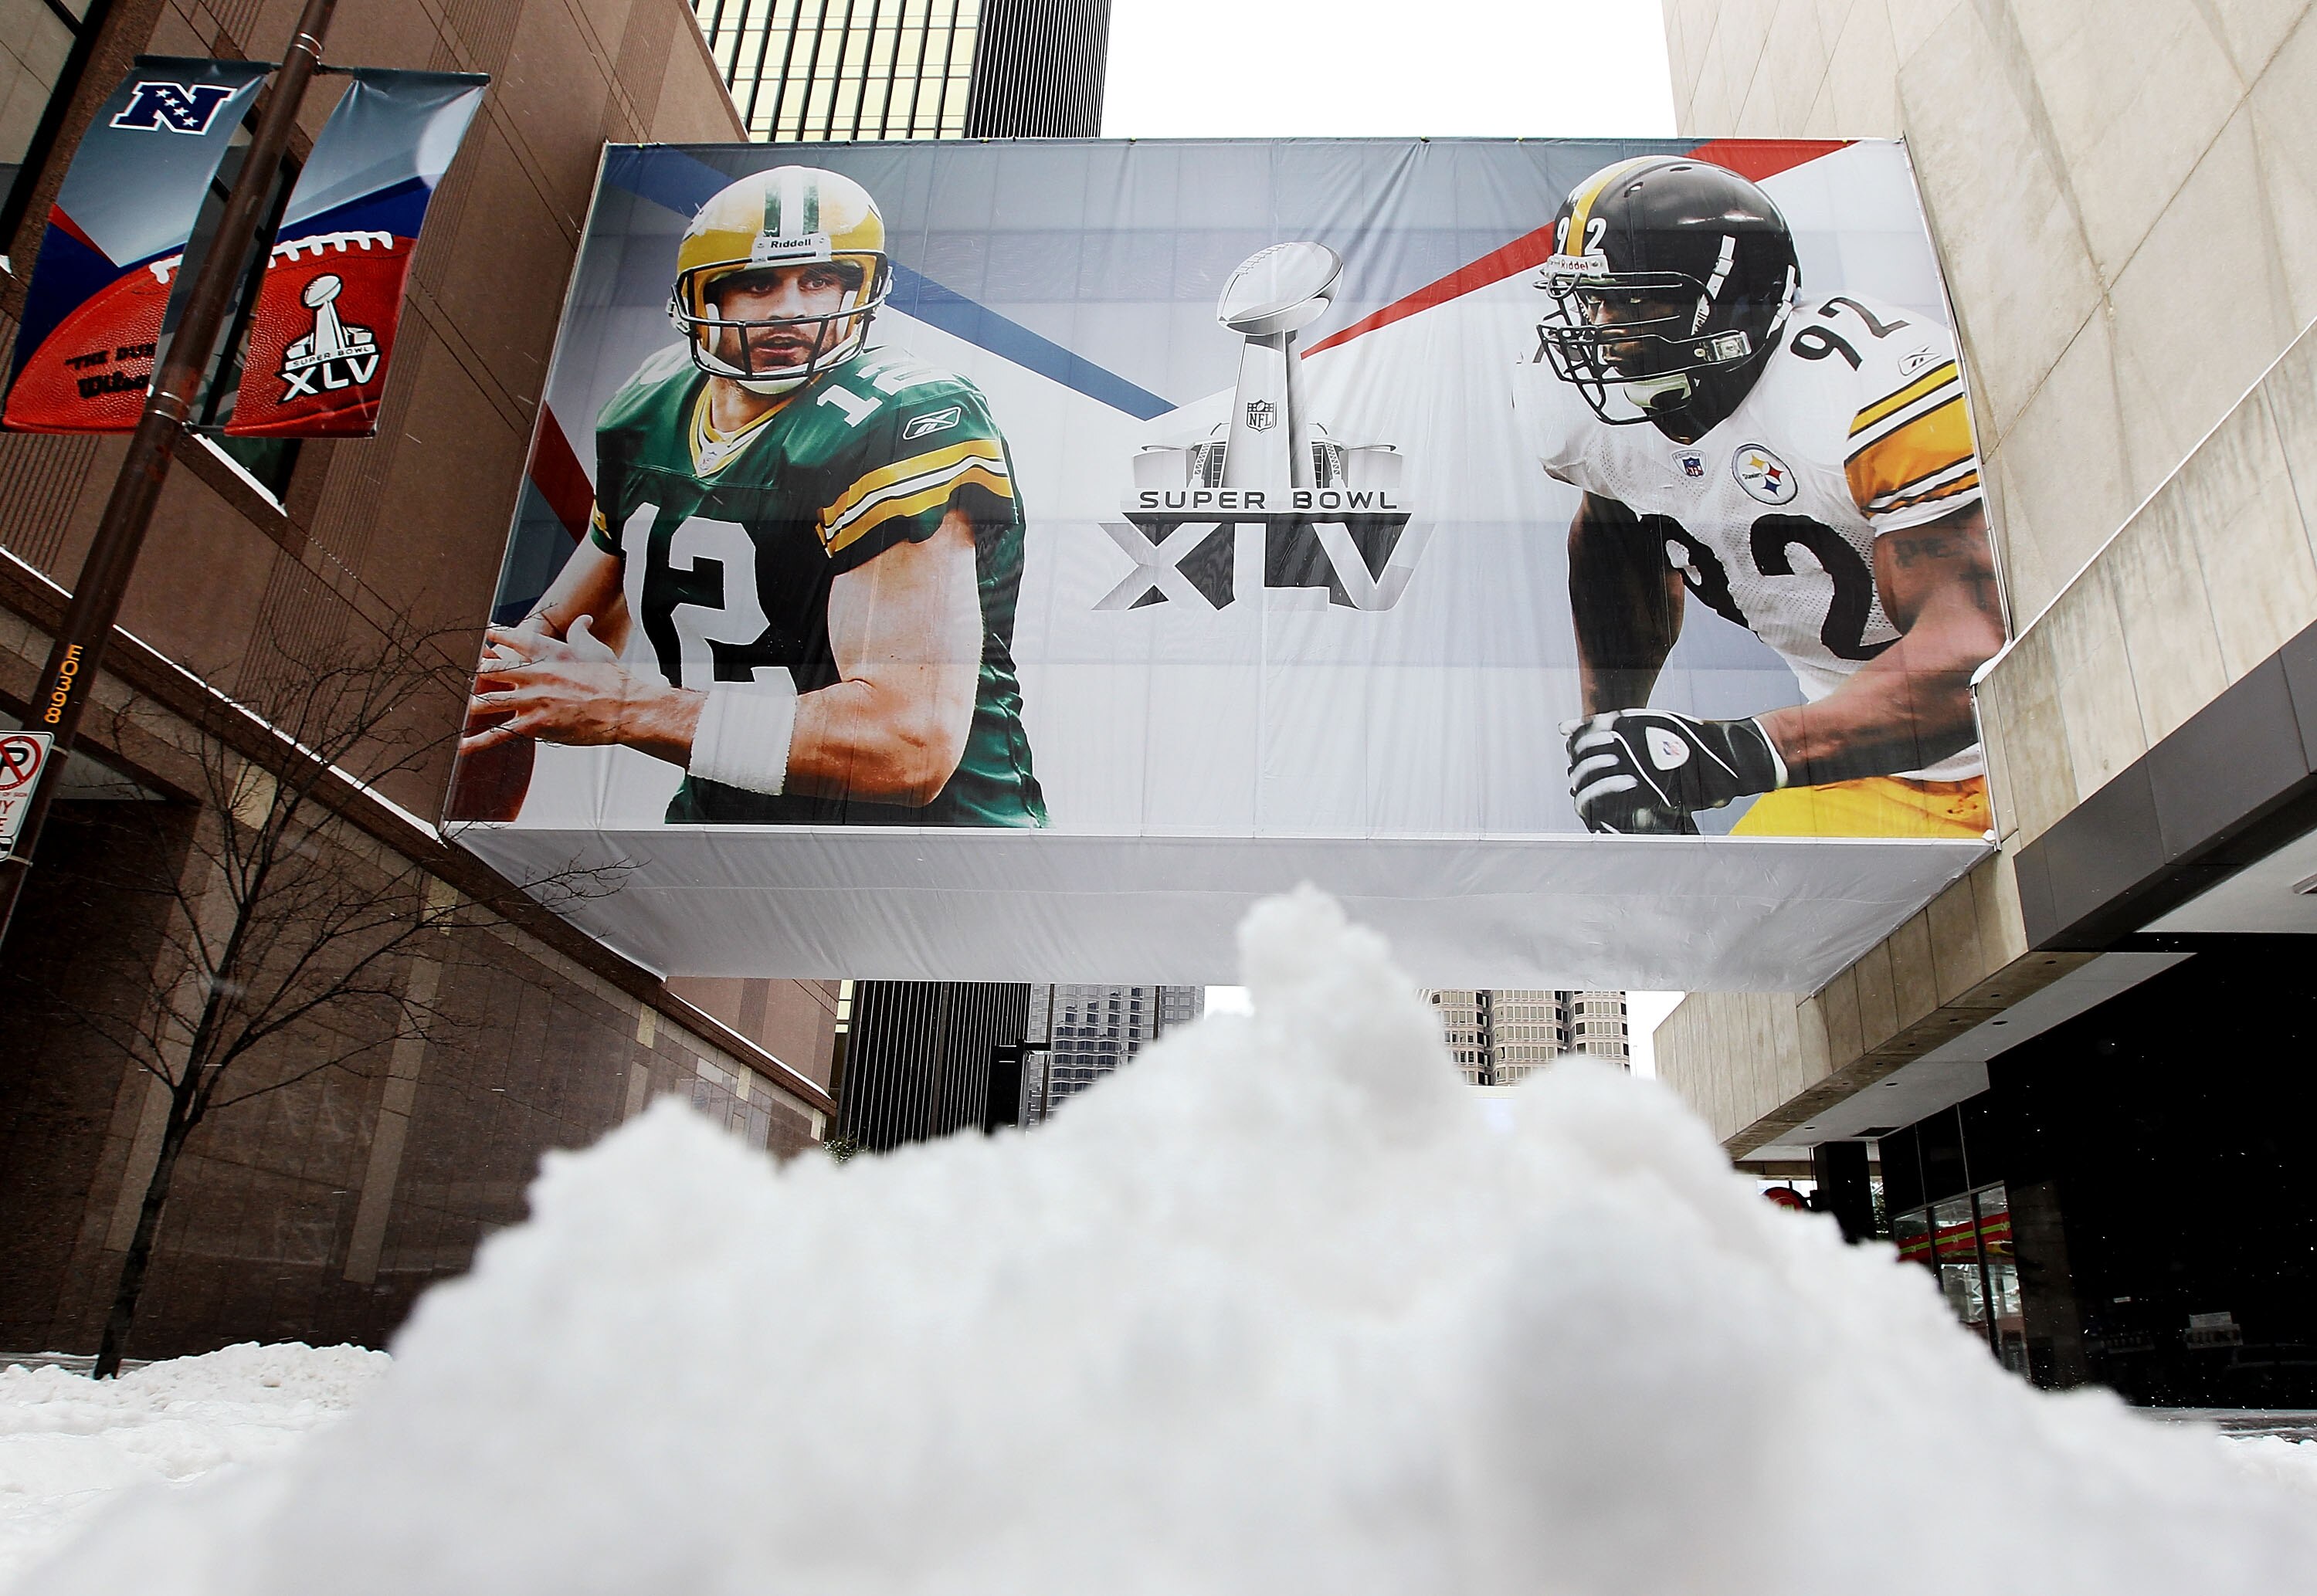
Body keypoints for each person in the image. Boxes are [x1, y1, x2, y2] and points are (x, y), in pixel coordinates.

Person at [456, 164, 1045, 827]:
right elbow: (556, 638)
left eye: (821, 280)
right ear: (702, 300)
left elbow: (903, 747)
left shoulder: (904, 417)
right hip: (726, 821)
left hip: (925, 855)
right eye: (758, 283)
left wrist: (626, 706)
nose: (792, 308)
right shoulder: (651, 405)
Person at [1514, 155, 2005, 838]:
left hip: (2022, 741)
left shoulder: (1865, 392)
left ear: (1732, 299)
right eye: (1590, 299)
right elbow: (1615, 541)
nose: (1601, 327)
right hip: (1861, 769)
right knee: (1705, 932)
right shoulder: (1602, 422)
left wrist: (1740, 752)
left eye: (1631, 298)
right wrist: (1616, 738)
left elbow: (1975, 653)